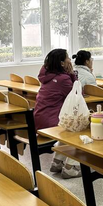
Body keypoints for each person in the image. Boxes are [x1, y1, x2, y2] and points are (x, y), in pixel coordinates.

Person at [33, 48, 80, 179]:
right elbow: (77, 95)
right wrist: (72, 74)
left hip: (39, 119)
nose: (70, 60)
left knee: (70, 126)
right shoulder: (63, 79)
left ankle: (58, 161)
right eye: (68, 58)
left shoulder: (47, 76)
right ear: (61, 63)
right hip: (51, 122)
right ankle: (70, 167)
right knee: (78, 128)